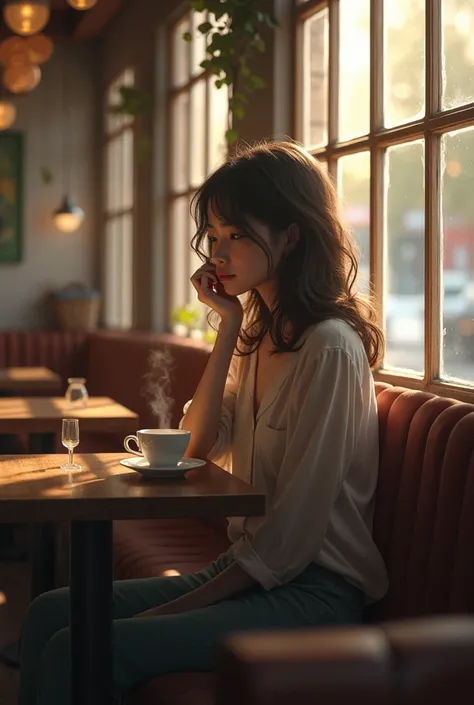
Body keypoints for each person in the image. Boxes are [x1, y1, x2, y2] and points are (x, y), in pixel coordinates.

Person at [18, 141, 388, 705]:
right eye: (213, 236)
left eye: (237, 234)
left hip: (310, 592)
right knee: (51, 611)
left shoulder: (330, 350)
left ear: (291, 235)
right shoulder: (255, 334)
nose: (219, 252)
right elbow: (197, 444)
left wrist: (181, 604)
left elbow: (293, 535)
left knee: (82, 644)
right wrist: (227, 324)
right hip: (246, 566)